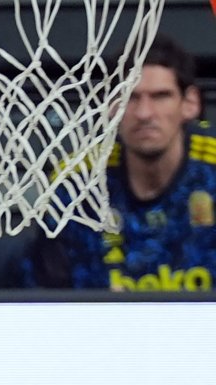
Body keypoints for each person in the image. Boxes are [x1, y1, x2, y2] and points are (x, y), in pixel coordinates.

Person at [21, 37, 214, 291]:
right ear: (111, 106)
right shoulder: (78, 183)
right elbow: (46, 292)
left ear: (190, 104)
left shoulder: (209, 171)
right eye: (130, 98)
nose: (144, 113)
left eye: (160, 96)